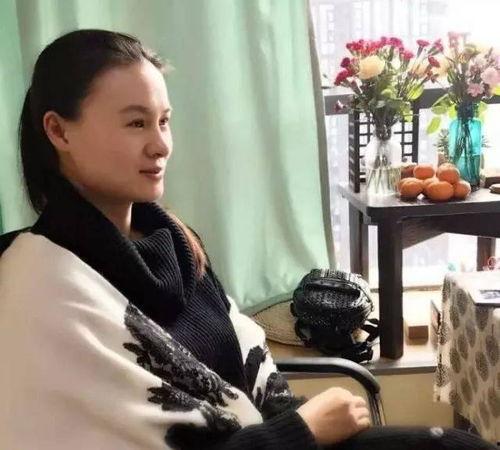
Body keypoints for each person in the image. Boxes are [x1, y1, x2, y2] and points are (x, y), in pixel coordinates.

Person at [0, 29, 495, 450]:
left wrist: (299, 424)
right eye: (135, 123)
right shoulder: (35, 287)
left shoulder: (174, 244)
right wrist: (300, 431)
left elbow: (249, 384)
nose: (160, 144)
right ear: (58, 131)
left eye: (164, 121)